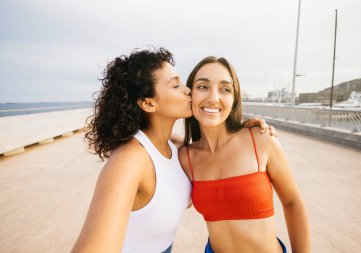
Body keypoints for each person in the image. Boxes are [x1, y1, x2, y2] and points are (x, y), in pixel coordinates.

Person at [71, 48, 275, 253]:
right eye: (176, 85)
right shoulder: (129, 160)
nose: (188, 90)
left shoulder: (175, 148)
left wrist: (241, 131)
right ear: (149, 103)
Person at [179, 56, 310, 253]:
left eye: (225, 89)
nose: (213, 97)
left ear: (234, 99)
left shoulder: (260, 139)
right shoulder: (186, 158)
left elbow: (293, 203)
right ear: (190, 95)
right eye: (203, 86)